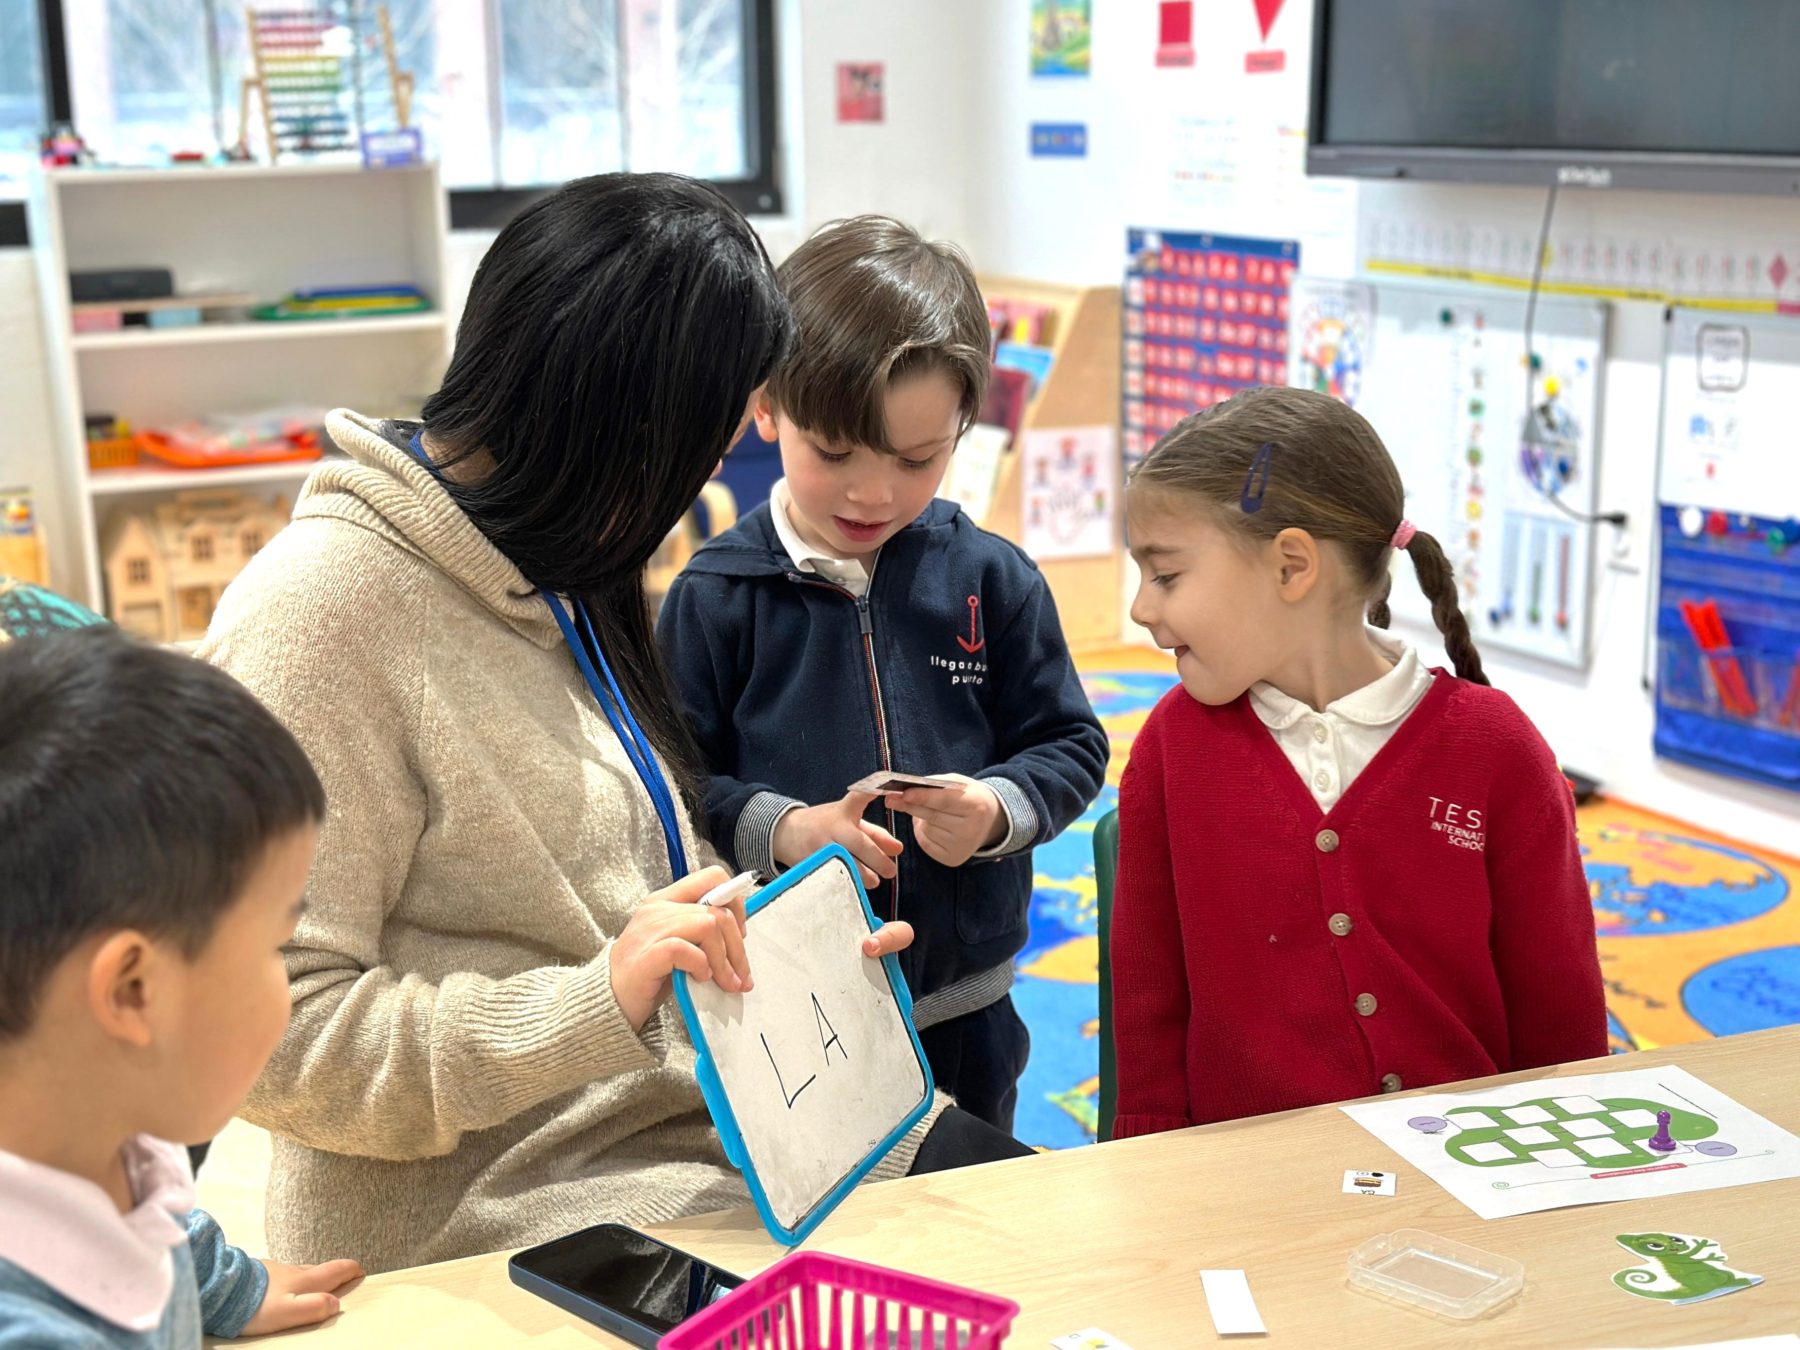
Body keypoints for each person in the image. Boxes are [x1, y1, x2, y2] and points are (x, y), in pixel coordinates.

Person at [201, 175, 1031, 1276]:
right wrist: (598, 1003)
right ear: (617, 432)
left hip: (723, 1128)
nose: (700, 487)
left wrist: (788, 955)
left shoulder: (559, 570)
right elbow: (269, 1043)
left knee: (1059, 1232)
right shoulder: (320, 619)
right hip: (521, 1207)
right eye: (699, 450)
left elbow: (615, 883)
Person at [657, 216, 1109, 1131]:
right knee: (819, 1226)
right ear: (768, 408)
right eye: (834, 454)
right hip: (791, 1003)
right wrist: (785, 830)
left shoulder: (993, 580)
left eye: (916, 460)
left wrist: (994, 812)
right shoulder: (714, 597)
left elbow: (1070, 744)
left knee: (976, 1209)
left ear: (962, 431)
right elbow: (670, 789)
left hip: (966, 1003)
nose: (873, 494)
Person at [1111, 386, 1605, 1137]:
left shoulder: (1496, 750)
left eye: (1167, 575)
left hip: (1470, 1185)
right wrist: (1147, 1168)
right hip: (1244, 1189)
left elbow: (1560, 1015)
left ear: (1291, 567)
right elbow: (1148, 1010)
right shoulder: (1171, 751)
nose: (1142, 609)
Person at [0, 629, 363, 1345]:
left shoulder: (96, 1140)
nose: (287, 985)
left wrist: (228, 1287)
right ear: (134, 990)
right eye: (274, 946)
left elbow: (151, 1217)